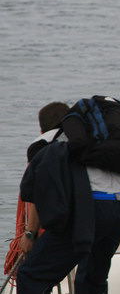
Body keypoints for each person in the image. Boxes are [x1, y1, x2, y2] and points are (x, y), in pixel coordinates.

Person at [17, 105, 120, 294]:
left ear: (42, 127)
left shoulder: (44, 142)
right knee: (92, 277)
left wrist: (31, 234)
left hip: (90, 207)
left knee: (31, 278)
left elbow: (38, 192)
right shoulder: (95, 137)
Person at [4, 102, 70, 278]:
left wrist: (29, 235)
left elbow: (37, 196)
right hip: (95, 223)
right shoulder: (82, 147)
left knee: (29, 276)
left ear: (42, 131)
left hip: (55, 231)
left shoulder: (41, 148)